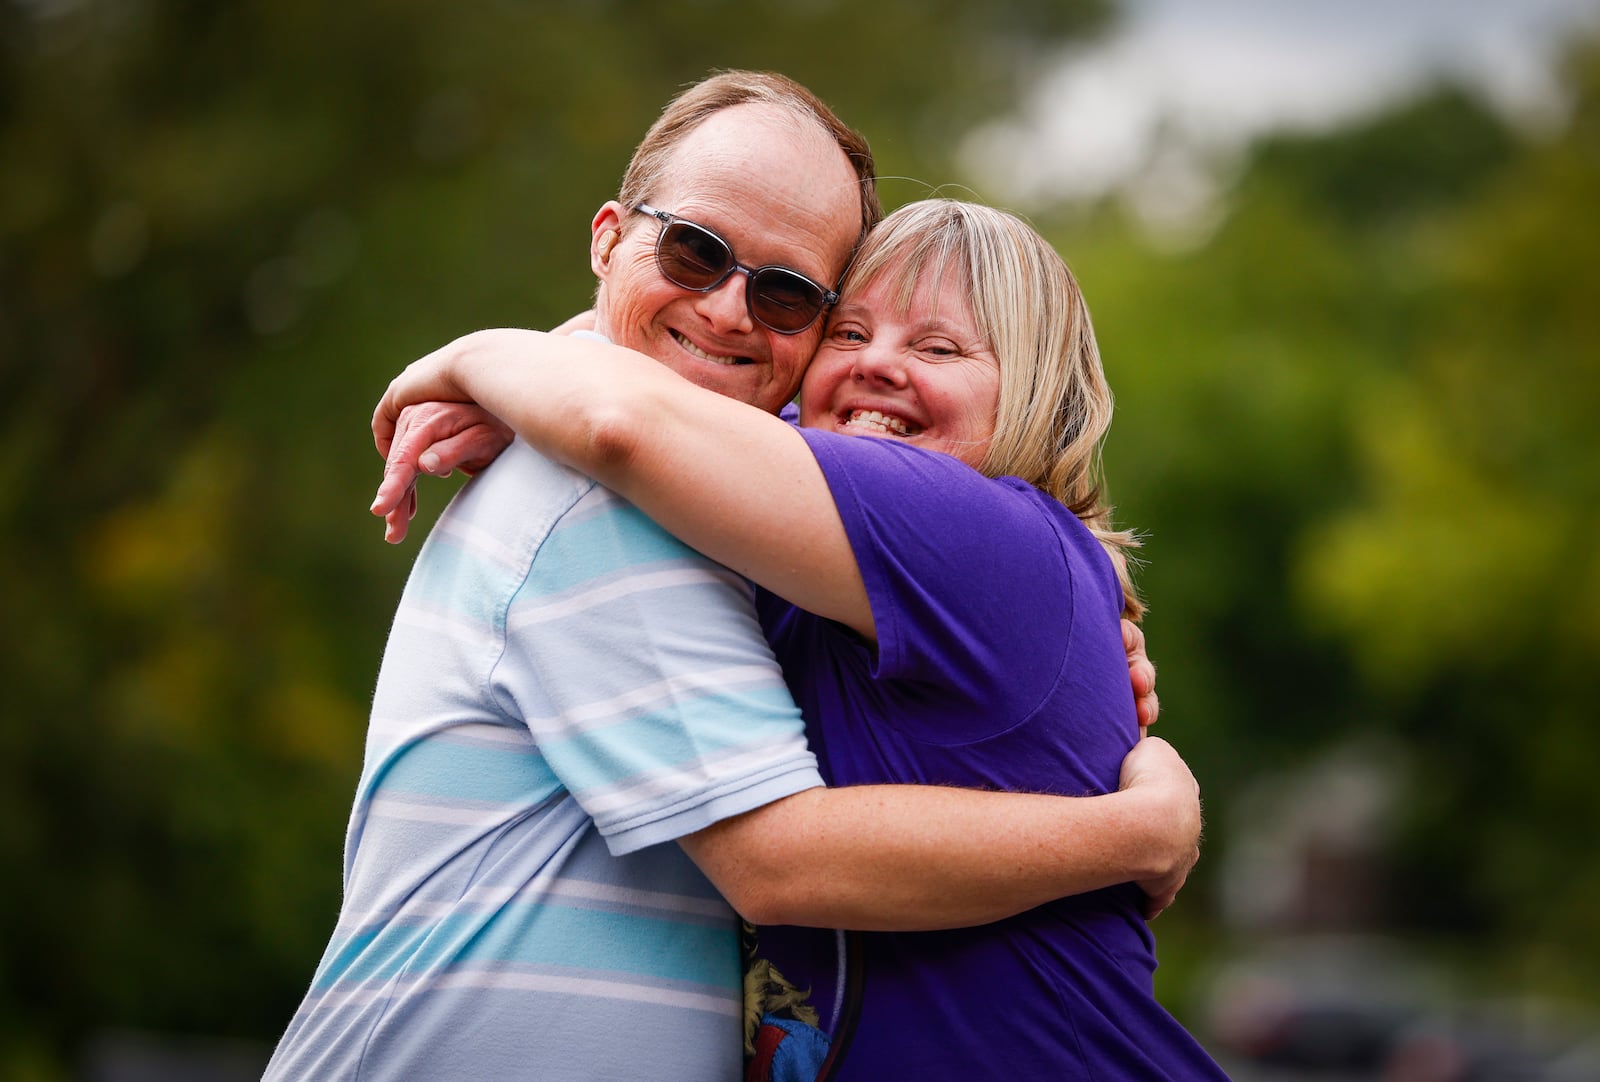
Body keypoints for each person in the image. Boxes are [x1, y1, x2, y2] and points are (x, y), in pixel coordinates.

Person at [266, 72, 1199, 1082]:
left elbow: (640, 416)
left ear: (1036, 393)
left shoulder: (952, 529)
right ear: (607, 237)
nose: (730, 308)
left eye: (792, 294)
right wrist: (547, 363)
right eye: (692, 251)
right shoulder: (624, 504)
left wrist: (486, 355)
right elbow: (664, 409)